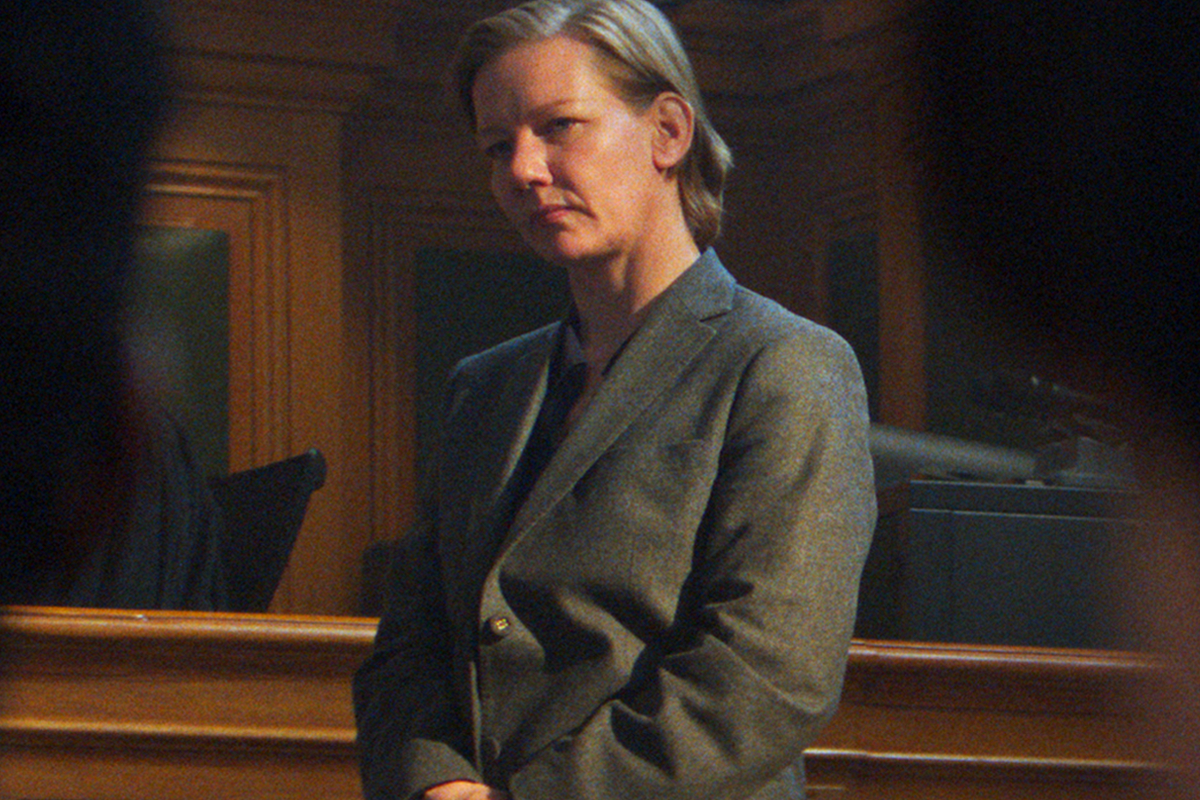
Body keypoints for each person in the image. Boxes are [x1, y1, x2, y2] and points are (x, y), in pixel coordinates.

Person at [353, 2, 876, 798]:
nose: (523, 169)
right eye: (498, 146)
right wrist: (435, 780)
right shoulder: (485, 386)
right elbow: (408, 646)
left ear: (668, 131)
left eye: (558, 127)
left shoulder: (785, 365)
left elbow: (769, 677)